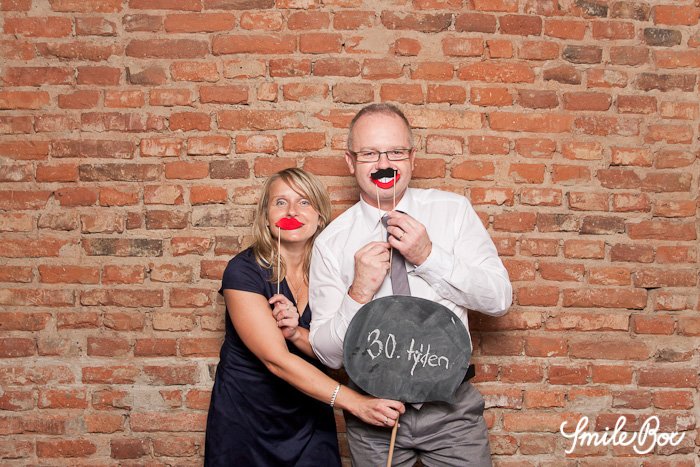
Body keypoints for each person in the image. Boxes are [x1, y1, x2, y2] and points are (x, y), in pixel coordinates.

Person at [309, 104, 513, 466]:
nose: (383, 163)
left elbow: (498, 299)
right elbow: (328, 355)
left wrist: (429, 256)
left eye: (395, 152)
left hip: (451, 408)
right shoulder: (331, 242)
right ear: (350, 162)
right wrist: (359, 292)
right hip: (374, 414)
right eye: (369, 153)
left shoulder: (454, 212)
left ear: (413, 159)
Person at [205, 168, 405, 466]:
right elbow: (276, 360)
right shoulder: (242, 270)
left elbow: (334, 355)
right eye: (280, 202)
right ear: (265, 216)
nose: (292, 211)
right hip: (246, 419)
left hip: (310, 415)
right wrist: (356, 404)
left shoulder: (331, 271)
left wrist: (296, 333)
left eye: (304, 202)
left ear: (320, 216)